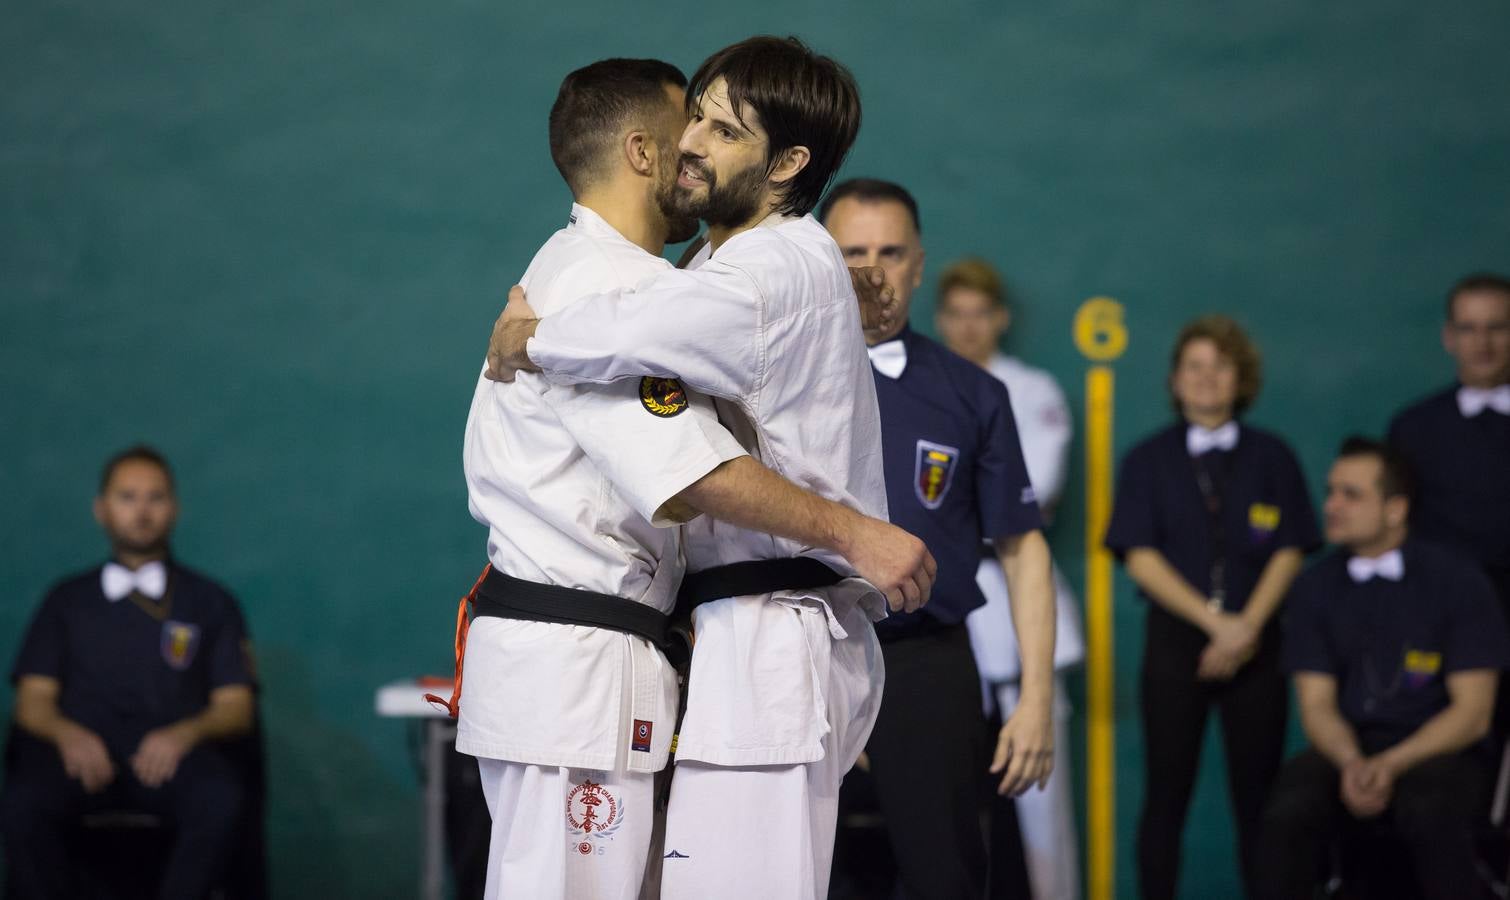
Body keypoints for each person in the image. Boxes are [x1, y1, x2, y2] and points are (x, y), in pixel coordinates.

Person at [445, 57, 931, 900]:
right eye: (691, 126)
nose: (696, 149)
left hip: (752, 636)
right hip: (598, 667)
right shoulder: (624, 282)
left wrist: (534, 335)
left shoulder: (656, 284)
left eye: (723, 131)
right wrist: (861, 534)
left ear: (785, 165)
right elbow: (689, 471)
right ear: (643, 153)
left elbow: (738, 310)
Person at [818, 179, 1056, 900]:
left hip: (926, 661)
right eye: (851, 252)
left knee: (945, 876)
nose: (872, 270)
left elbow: (1023, 548)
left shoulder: (972, 393)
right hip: (799, 654)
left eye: (890, 252)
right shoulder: (771, 380)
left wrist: (1036, 697)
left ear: (919, 264)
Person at [1103, 315, 1320, 898]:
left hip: (1260, 645)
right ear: (1175, 379)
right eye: (1194, 366)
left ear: (1241, 379)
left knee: (1263, 801)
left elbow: (1292, 547)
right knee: (1165, 799)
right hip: (1177, 644)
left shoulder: (1273, 455)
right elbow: (1139, 554)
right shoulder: (1148, 459)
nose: (1206, 378)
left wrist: (1245, 628)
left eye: (1220, 367)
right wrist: (1216, 624)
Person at [1255, 437, 1509, 900]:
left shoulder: (1458, 581)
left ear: (1395, 509)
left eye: (1351, 495)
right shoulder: (1314, 587)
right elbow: (1315, 705)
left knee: (1431, 811)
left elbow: (1473, 713)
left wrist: (1391, 764)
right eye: (1331, 492)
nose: (1332, 505)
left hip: (1440, 749)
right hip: (1347, 748)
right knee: (1287, 811)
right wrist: (1353, 762)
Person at [0, 446, 256, 900]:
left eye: (155, 498)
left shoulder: (210, 601)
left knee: (220, 798)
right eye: (128, 497)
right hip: (80, 759)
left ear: (174, 508)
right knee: (22, 802)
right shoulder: (66, 599)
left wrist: (184, 734)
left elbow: (236, 707)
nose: (141, 511)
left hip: (173, 761)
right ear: (101, 509)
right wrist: (68, 735)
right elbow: (32, 702)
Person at [934, 255, 1084, 900]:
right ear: (941, 320)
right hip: (940, 597)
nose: (969, 328)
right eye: (957, 315)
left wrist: (947, 504)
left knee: (1037, 798)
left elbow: (1036, 489)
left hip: (1017, 587)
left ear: (1001, 319)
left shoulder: (1033, 391)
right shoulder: (922, 384)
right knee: (946, 797)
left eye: (981, 315)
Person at [1387, 273, 1510, 610]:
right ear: (1449, 337)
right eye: (1468, 329)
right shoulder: (1412, 427)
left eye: (1497, 328)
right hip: (1442, 609)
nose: (1482, 343)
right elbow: (1395, 526)